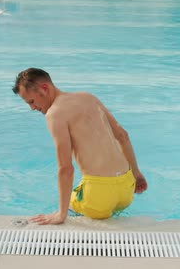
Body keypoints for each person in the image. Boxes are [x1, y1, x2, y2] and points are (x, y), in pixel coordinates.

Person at [12, 68, 148, 225]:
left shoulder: (55, 114)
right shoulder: (88, 97)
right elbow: (122, 135)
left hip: (98, 196)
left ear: (45, 88)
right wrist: (136, 174)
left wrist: (61, 214)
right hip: (126, 188)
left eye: (32, 101)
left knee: (65, 208)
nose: (32, 108)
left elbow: (65, 169)